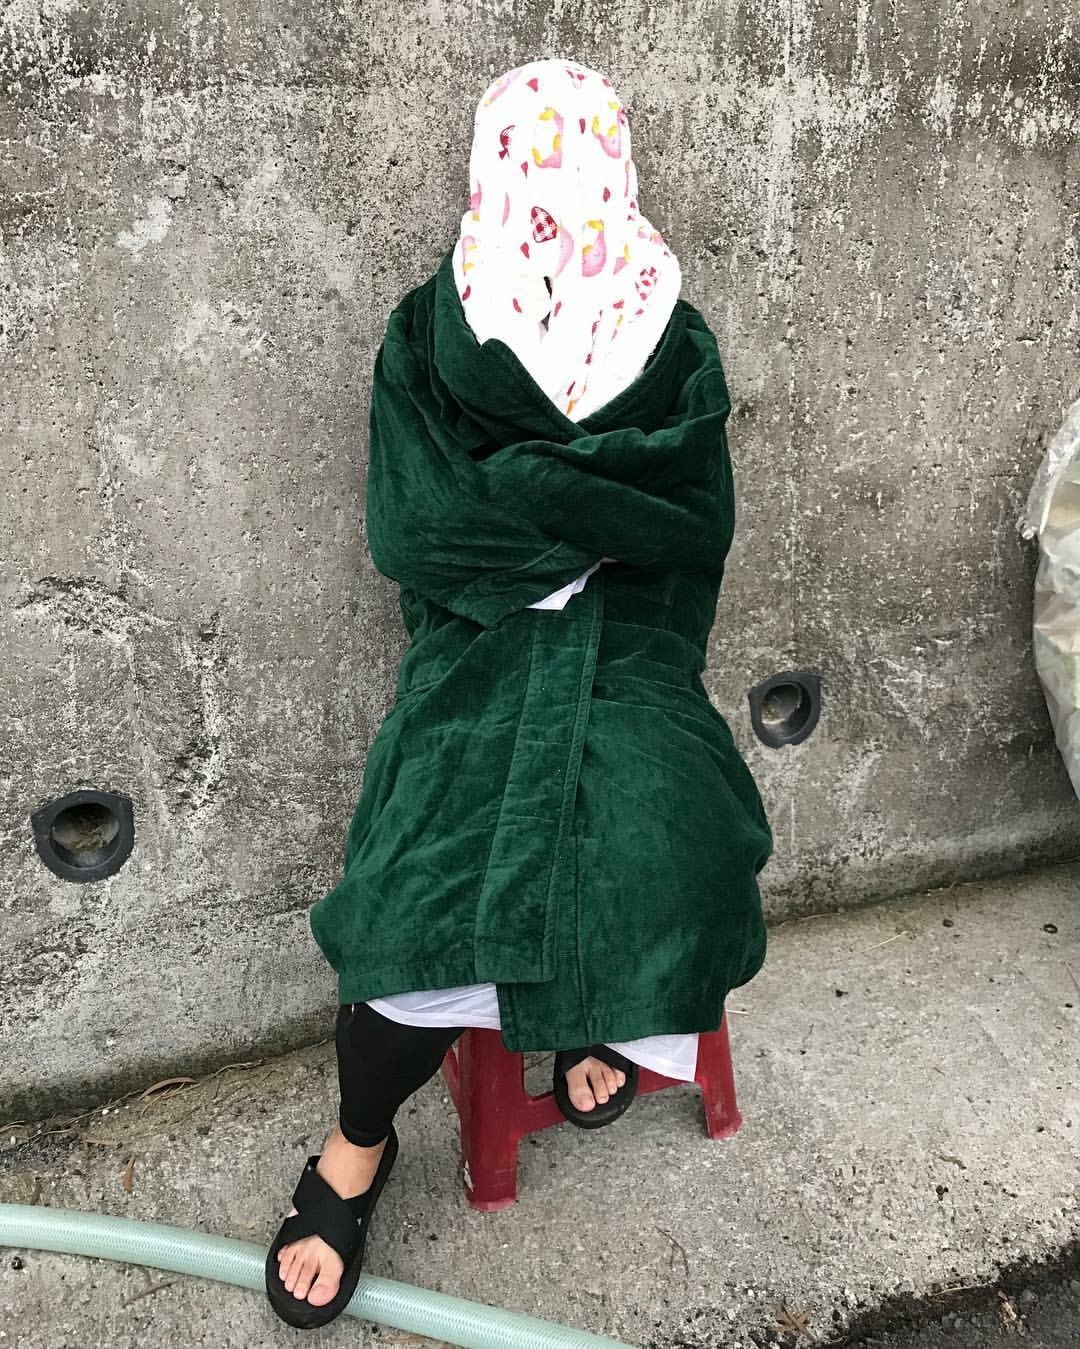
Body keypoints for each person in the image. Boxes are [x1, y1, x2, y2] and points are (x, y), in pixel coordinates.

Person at [265, 57, 773, 1330]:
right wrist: (589, 516)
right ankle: (359, 1138)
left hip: (635, 650)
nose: (556, 203)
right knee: (408, 894)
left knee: (677, 845)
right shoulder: (428, 335)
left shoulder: (674, 340)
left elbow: (692, 529)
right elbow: (419, 531)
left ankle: (596, 1018)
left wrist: (538, 516)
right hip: (473, 654)